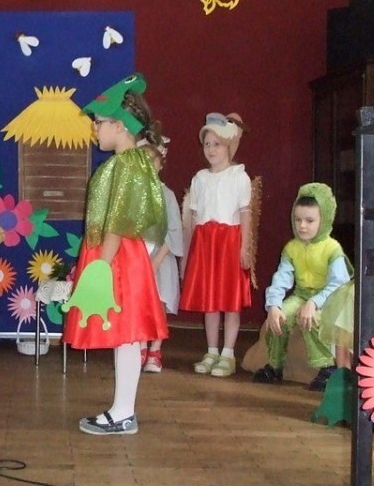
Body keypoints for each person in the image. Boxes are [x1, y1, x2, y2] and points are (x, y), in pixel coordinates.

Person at [62, 74, 168, 436]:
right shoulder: (131, 161)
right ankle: (122, 410)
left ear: (120, 126)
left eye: (99, 122)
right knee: (127, 336)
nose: (94, 128)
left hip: (117, 257)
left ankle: (123, 413)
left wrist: (101, 266)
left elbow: (120, 220)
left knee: (128, 334)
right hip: (121, 255)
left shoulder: (126, 164)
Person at [252, 183, 350, 390]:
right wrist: (274, 305)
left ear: (324, 220)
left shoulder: (332, 249)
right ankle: (275, 364)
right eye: (298, 220)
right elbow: (281, 278)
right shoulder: (291, 248)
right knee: (280, 317)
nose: (302, 226)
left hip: (329, 299)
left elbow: (338, 284)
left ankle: (327, 366)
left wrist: (314, 303)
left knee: (311, 319)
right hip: (301, 295)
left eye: (310, 221)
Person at [179, 112, 253, 378]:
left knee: (230, 301)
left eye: (217, 144)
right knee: (210, 300)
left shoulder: (239, 176)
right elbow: (193, 217)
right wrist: (188, 252)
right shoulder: (199, 179)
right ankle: (211, 350)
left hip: (229, 243)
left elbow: (245, 214)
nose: (211, 149)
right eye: (207, 144)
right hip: (205, 243)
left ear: (229, 145)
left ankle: (228, 354)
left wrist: (244, 247)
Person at [318, 225, 374, 370]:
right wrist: (344, 373)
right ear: (370, 263)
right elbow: (342, 339)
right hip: (359, 369)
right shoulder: (354, 294)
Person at [138, 140, 182, 373]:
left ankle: (155, 349)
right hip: (138, 258)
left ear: (160, 164)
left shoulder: (168, 195)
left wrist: (156, 260)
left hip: (160, 259)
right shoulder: (132, 195)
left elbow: (173, 230)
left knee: (158, 304)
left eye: (151, 161)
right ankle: (140, 346)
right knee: (139, 305)